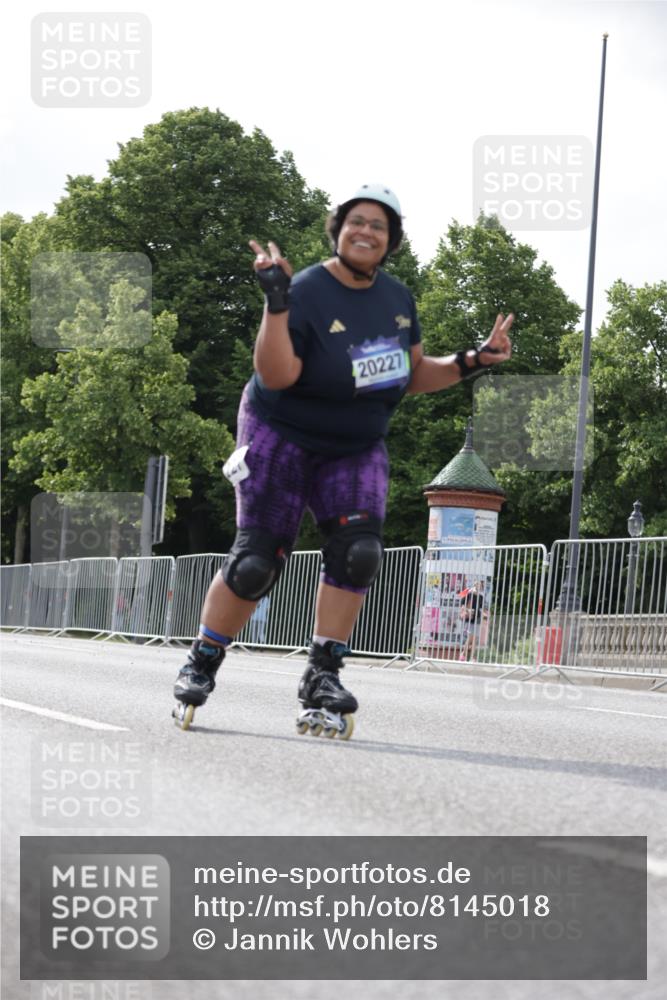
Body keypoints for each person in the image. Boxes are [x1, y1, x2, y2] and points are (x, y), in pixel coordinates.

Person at [172, 183, 513, 734]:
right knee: (258, 560)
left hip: (354, 443)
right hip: (280, 431)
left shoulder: (397, 300)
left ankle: (322, 673)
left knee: (358, 553)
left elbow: (410, 374)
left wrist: (474, 360)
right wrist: (276, 302)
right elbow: (278, 374)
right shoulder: (305, 288)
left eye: (379, 225)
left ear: (391, 240)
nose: (366, 231)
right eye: (357, 221)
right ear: (338, 229)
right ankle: (204, 660)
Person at [458, 580, 488, 662]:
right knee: (471, 637)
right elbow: (462, 606)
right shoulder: (468, 594)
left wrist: (485, 615)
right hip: (470, 618)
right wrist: (468, 610)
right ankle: (464, 654)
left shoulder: (481, 597)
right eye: (478, 584)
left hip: (477, 618)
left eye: (481, 586)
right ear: (475, 584)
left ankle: (472, 657)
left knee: (475, 638)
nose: (479, 586)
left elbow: (481, 609)